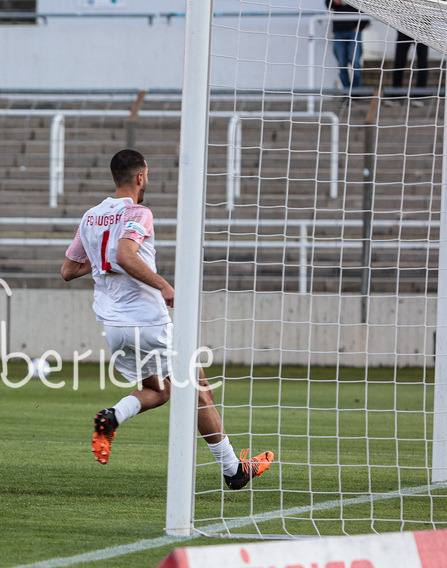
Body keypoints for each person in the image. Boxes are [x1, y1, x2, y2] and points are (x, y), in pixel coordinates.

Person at [60, 149, 274, 490]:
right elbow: (124, 254)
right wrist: (165, 287)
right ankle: (234, 471)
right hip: (149, 322)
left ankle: (112, 416)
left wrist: (103, 264)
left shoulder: (90, 218)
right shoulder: (139, 213)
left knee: (158, 391)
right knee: (200, 391)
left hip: (114, 328)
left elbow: (69, 270)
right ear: (140, 177)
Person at [325, 0, 369, 94]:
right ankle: (347, 93)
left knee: (355, 61)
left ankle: (356, 92)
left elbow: (367, 9)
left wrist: (359, 28)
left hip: (354, 31)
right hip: (339, 31)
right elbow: (328, 4)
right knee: (342, 64)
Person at [390, 30, 430, 105]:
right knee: (399, 62)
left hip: (422, 30)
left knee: (422, 63)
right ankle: (395, 96)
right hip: (404, 29)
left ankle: (420, 96)